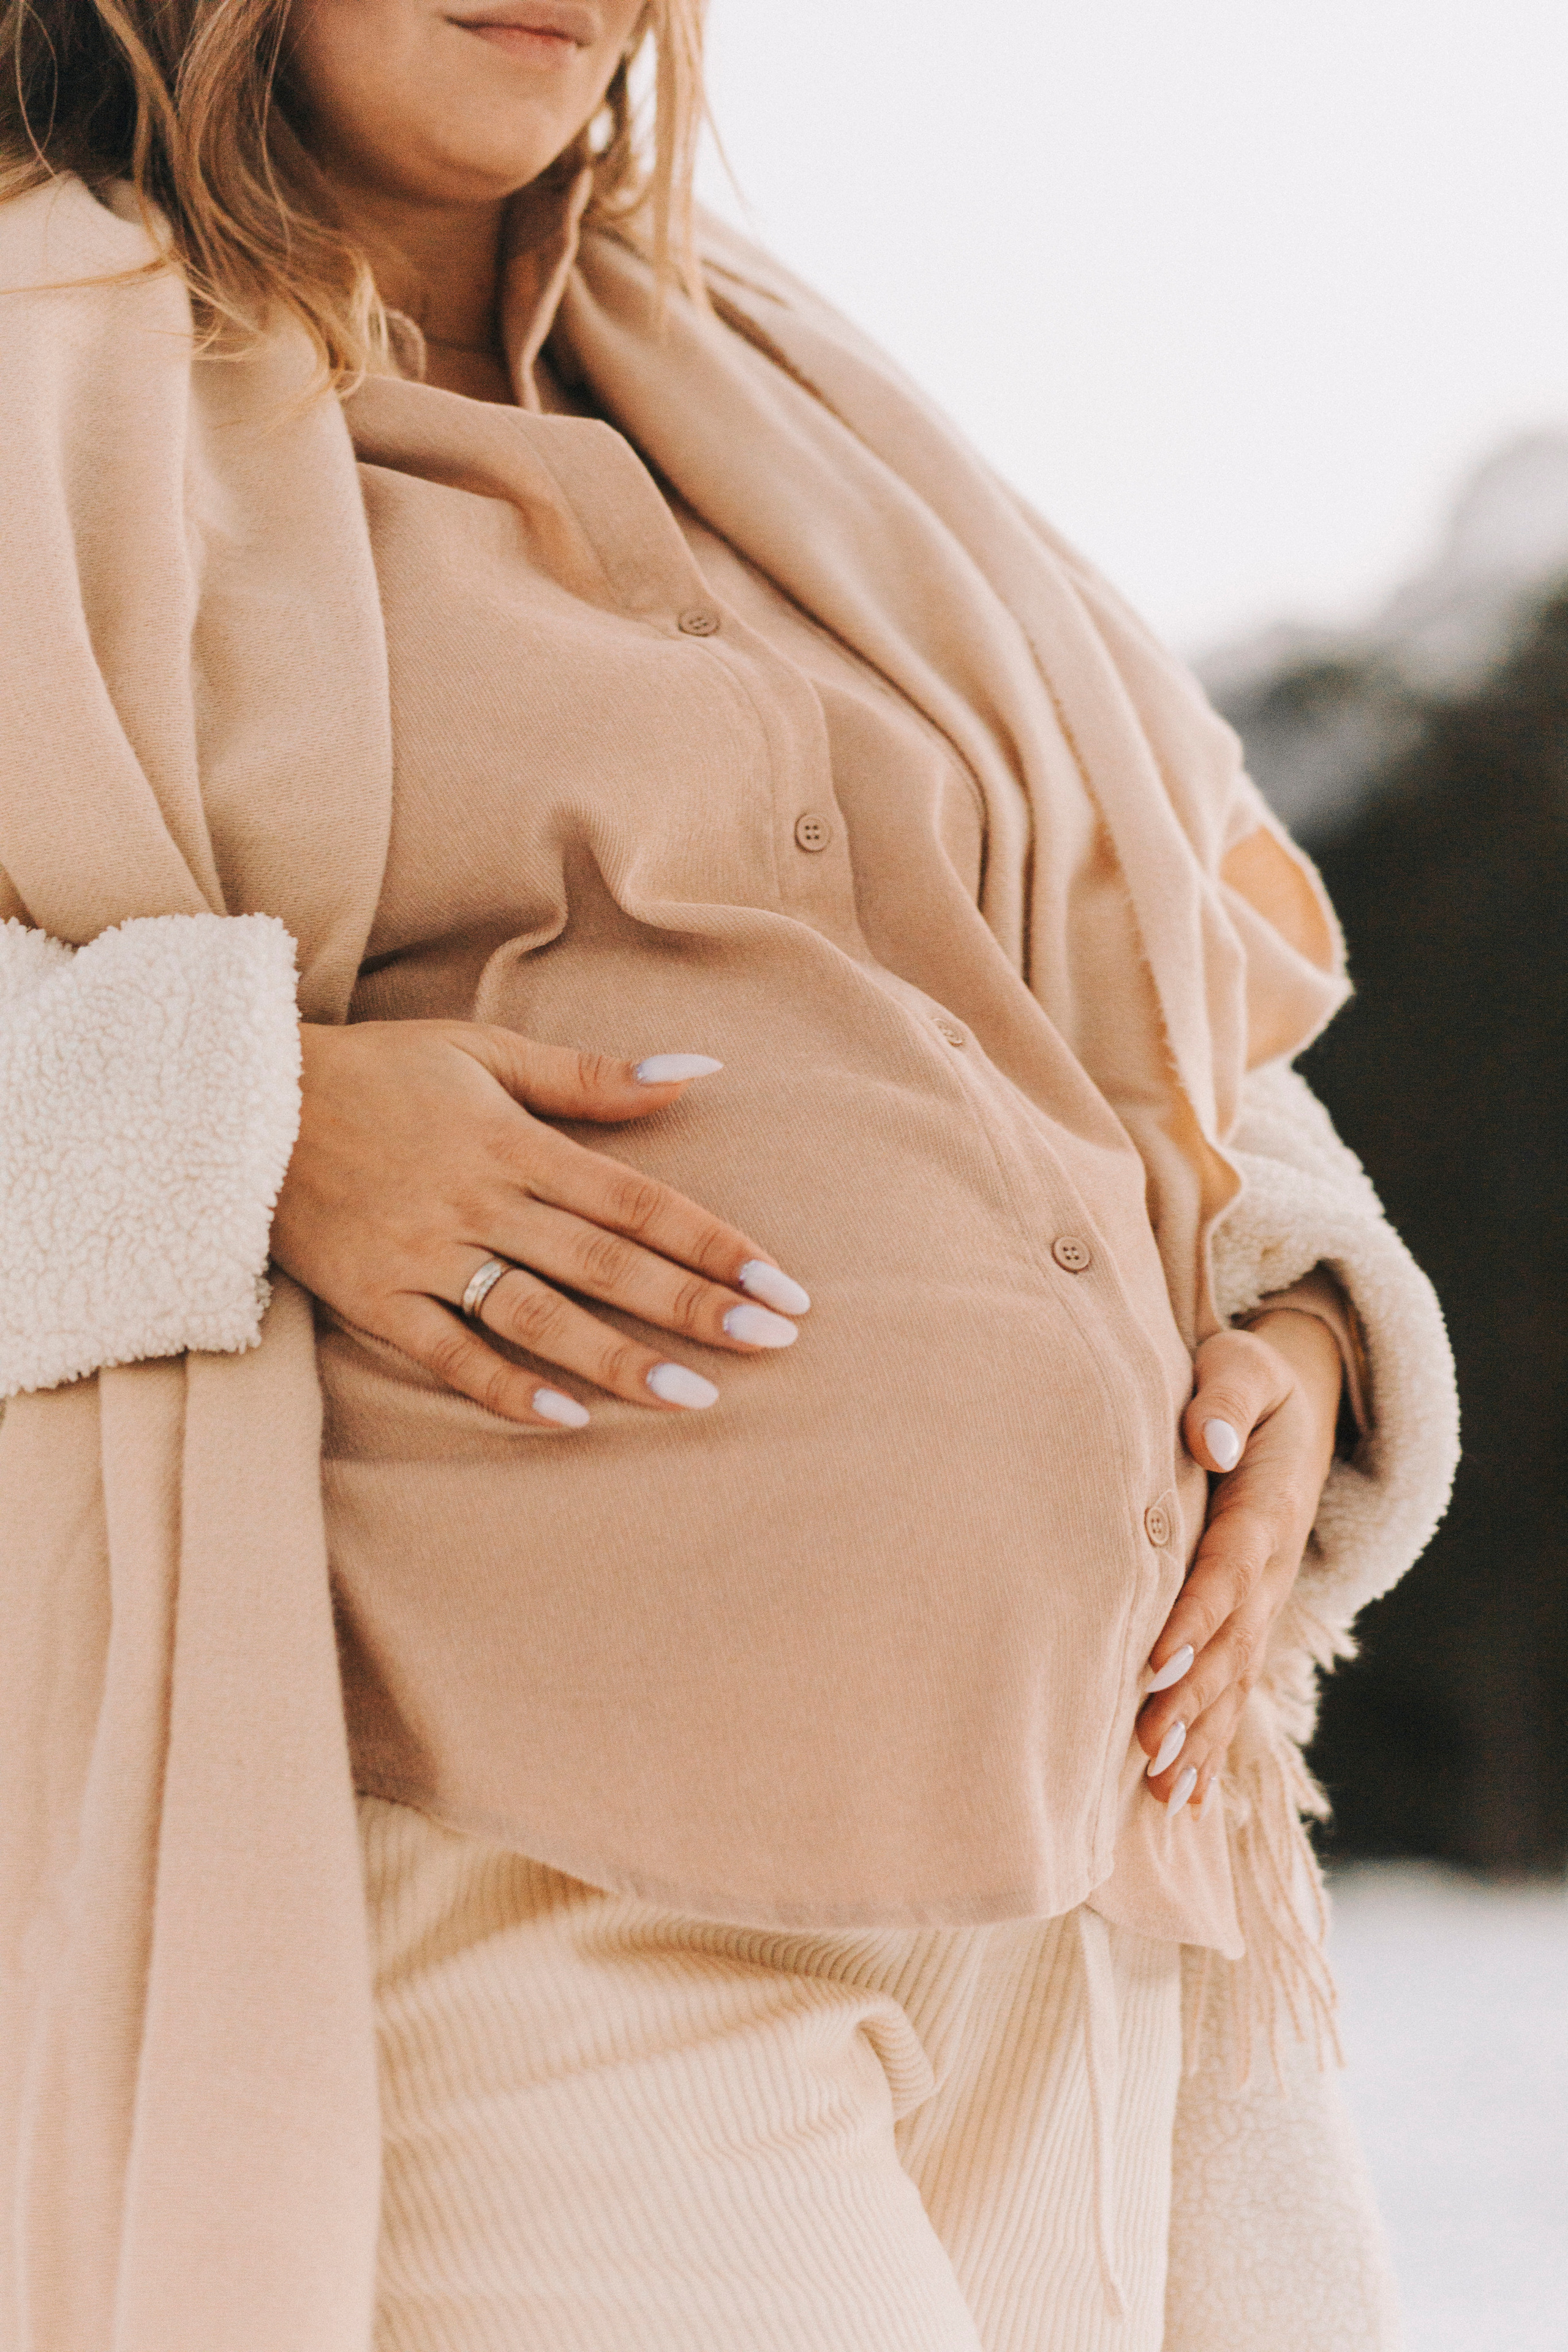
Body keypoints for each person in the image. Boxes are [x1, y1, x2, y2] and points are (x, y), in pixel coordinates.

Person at [0, 2, 1459, 2347]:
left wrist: (1298, 1314)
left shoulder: (790, 397)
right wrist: (242, 1124)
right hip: (505, 1865)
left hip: (1079, 1876)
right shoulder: (31, 360)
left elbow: (1143, 1003)